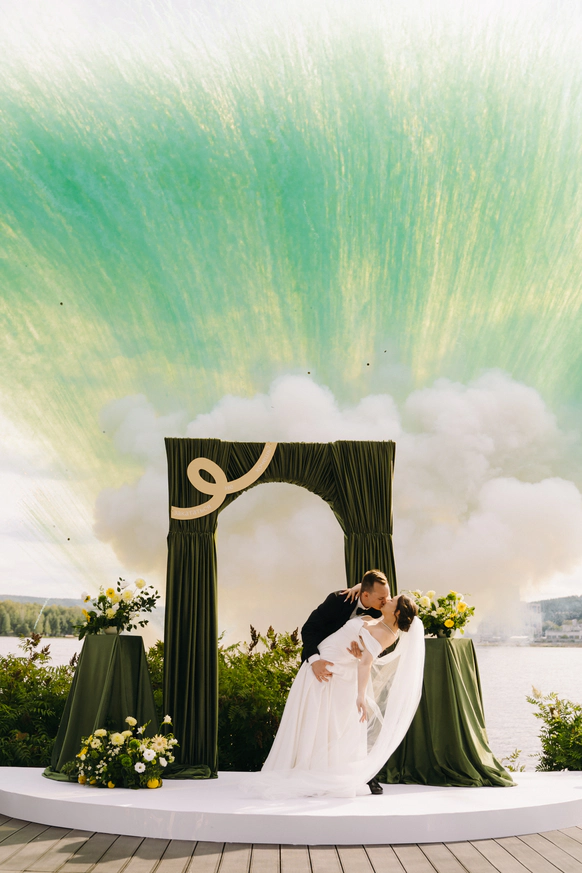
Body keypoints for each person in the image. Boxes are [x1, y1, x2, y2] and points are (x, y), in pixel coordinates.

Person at [242, 575, 424, 800]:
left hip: (342, 674)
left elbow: (367, 660)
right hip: (320, 666)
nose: (386, 599)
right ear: (365, 595)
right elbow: (309, 629)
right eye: (383, 597)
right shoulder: (344, 600)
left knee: (333, 725)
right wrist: (315, 660)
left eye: (390, 599)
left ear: (396, 612)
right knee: (312, 719)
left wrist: (360, 683)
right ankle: (306, 767)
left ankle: (331, 773)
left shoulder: (381, 613)